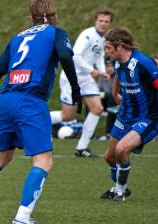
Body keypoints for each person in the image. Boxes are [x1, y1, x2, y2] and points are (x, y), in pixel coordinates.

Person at [0, 0, 81, 224]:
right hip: (30, 101)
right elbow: (64, 56)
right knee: (43, 161)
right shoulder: (56, 32)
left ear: (31, 17)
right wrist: (76, 88)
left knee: (0, 158)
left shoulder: (18, 38)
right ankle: (22, 218)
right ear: (54, 15)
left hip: (6, 101)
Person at [100, 27, 158, 202]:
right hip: (125, 115)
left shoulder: (144, 63)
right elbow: (118, 75)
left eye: (108, 47)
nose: (106, 51)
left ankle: (120, 192)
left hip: (147, 118)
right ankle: (119, 186)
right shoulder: (116, 61)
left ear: (120, 46)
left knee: (121, 150)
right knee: (109, 157)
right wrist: (116, 93)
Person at [51, 7, 115, 158]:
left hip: (85, 78)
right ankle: (37, 120)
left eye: (107, 21)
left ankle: (81, 148)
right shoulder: (87, 35)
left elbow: (99, 55)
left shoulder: (103, 38)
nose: (103, 24)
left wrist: (102, 71)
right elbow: (75, 56)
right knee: (67, 116)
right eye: (101, 20)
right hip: (71, 76)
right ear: (95, 21)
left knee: (97, 109)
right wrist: (91, 70)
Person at [97, 59, 117, 140]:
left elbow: (115, 93)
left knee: (111, 99)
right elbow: (97, 90)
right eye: (107, 66)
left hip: (115, 102)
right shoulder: (102, 77)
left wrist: (104, 94)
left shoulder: (117, 77)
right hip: (104, 101)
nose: (109, 68)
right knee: (90, 104)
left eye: (111, 66)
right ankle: (89, 133)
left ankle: (109, 132)